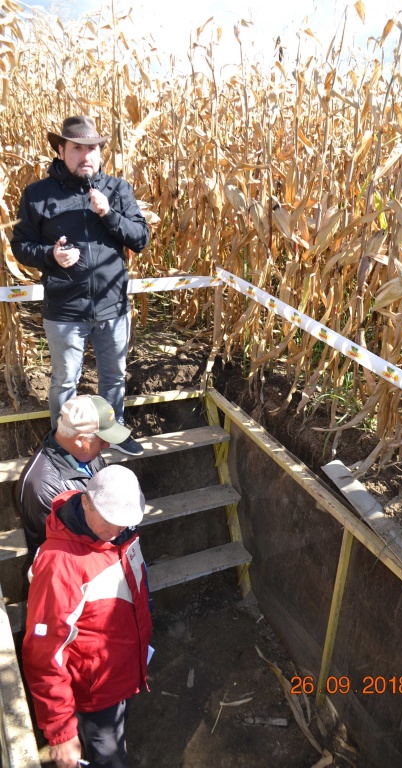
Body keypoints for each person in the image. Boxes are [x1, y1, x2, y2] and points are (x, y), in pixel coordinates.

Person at [11, 115, 149, 456]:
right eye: (77, 148)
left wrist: (109, 215)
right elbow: (20, 246)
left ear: (100, 152)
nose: (86, 155)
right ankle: (63, 443)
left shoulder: (117, 190)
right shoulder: (38, 195)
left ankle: (112, 434)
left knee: (114, 378)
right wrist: (51, 255)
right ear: (61, 150)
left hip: (112, 308)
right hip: (65, 310)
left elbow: (140, 238)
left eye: (92, 148)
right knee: (65, 381)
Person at [22, 464, 152, 768]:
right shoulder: (60, 565)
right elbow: (44, 654)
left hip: (124, 673)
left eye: (123, 521)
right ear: (85, 502)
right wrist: (61, 731)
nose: (115, 530)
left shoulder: (122, 534)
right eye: (108, 519)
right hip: (96, 694)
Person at [17, 393, 134, 556]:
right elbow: (68, 546)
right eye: (102, 440)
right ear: (80, 440)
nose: (107, 445)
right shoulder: (41, 486)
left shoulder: (86, 453)